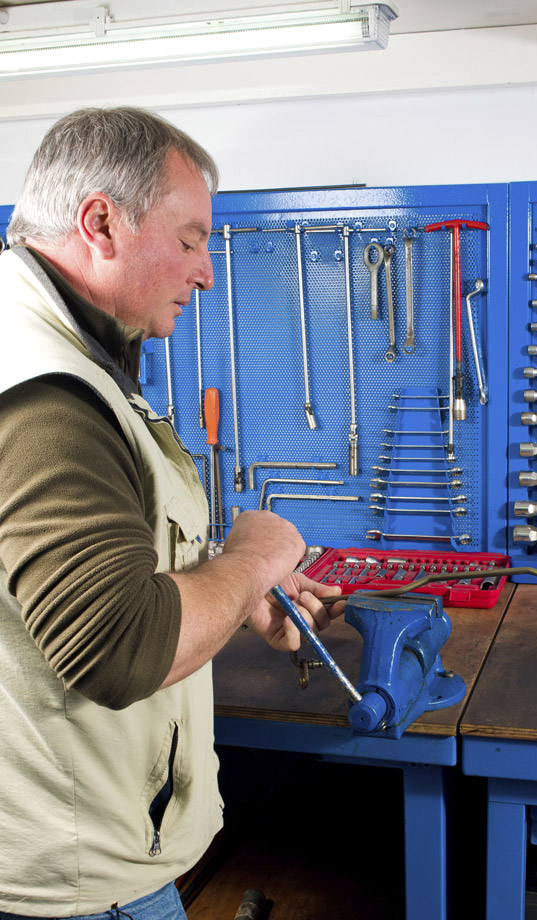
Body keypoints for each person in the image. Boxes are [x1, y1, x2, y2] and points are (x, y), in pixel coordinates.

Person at [0, 106, 342, 920]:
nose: (207, 274)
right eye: (190, 241)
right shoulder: (48, 395)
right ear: (100, 225)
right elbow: (119, 648)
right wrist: (254, 558)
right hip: (77, 882)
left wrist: (230, 595)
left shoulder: (65, 352)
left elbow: (105, 575)